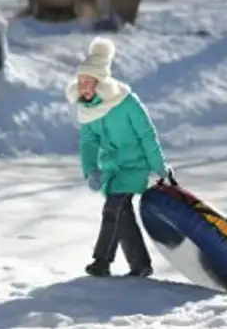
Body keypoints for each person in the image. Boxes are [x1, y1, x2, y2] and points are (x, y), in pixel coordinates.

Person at [64, 36, 172, 277]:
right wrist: (90, 170)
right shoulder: (88, 109)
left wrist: (159, 167)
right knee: (121, 214)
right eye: (80, 82)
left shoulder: (126, 103)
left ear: (102, 83)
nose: (84, 88)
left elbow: (147, 135)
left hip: (135, 166)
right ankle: (141, 265)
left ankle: (101, 262)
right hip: (112, 169)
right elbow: (88, 142)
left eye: (89, 82)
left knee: (114, 206)